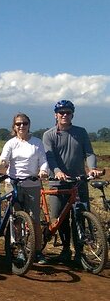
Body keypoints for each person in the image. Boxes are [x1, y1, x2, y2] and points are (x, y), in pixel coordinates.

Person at [42, 100, 103, 265]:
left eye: (67, 112)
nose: (64, 115)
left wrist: (92, 168)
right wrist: (57, 172)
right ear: (55, 115)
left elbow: (89, 153)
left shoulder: (81, 132)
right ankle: (65, 250)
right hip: (58, 182)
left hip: (78, 181)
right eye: (61, 112)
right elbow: (50, 158)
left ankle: (80, 252)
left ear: (72, 114)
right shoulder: (49, 135)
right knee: (59, 218)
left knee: (80, 216)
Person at [0, 113, 49, 263]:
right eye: (18, 124)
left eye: (25, 123)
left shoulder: (37, 143)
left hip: (32, 183)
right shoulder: (11, 143)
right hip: (13, 183)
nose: (22, 126)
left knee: (34, 219)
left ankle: (37, 251)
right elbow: (3, 160)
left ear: (29, 125)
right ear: (14, 127)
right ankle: (20, 249)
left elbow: (43, 161)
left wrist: (43, 171)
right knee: (16, 219)